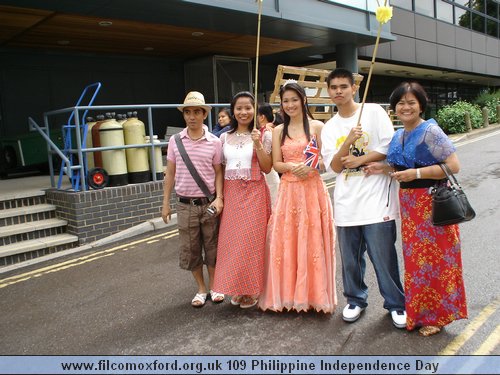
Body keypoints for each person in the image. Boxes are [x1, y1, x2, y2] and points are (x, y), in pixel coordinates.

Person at [364, 82, 467, 336]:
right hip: (410, 208)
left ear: (421, 105)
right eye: (400, 103)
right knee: (416, 263)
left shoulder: (430, 131)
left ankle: (438, 316)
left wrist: (417, 173)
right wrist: (382, 168)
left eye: (411, 102)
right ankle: (421, 312)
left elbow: (453, 165)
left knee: (437, 261)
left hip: (432, 203)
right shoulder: (399, 135)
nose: (406, 107)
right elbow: (400, 168)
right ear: (394, 108)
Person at [321, 68, 407, 328]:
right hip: (347, 203)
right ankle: (355, 299)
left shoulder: (373, 112)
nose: (338, 91)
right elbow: (334, 167)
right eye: (334, 87)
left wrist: (360, 159)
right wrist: (347, 141)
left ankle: (396, 304)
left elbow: (390, 148)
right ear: (329, 91)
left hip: (377, 199)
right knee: (350, 259)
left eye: (343, 86)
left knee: (383, 257)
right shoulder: (329, 127)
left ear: (354, 88)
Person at [259, 81, 336, 314]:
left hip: (313, 190)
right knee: (287, 242)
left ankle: (314, 296)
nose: (290, 104)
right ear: (281, 104)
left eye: (294, 99)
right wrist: (294, 166)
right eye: (286, 101)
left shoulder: (317, 126)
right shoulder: (278, 131)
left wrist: (312, 166)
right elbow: (275, 163)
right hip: (289, 191)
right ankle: (289, 295)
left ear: (303, 99)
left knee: (312, 242)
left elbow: (326, 160)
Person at [162, 91, 225, 308]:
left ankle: (216, 286)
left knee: (212, 246)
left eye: (196, 112)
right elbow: (169, 173)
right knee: (190, 249)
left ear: (204, 114)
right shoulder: (175, 141)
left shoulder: (214, 142)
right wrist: (165, 204)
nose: (192, 116)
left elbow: (219, 172)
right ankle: (201, 288)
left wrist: (220, 198)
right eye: (187, 112)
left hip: (208, 203)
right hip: (185, 204)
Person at [212, 91, 272, 309]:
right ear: (233, 111)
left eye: (248, 107)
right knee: (232, 244)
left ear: (255, 110)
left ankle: (252, 289)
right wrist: (219, 197)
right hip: (232, 194)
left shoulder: (263, 135)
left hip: (255, 193)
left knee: (252, 243)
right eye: (239, 108)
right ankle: (237, 287)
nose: (244, 112)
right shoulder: (223, 137)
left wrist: (257, 144)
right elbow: (219, 169)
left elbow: (267, 167)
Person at [257, 103, 280, 205]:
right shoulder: (262, 131)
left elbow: (266, 155)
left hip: (269, 176)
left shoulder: (267, 133)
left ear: (262, 117)